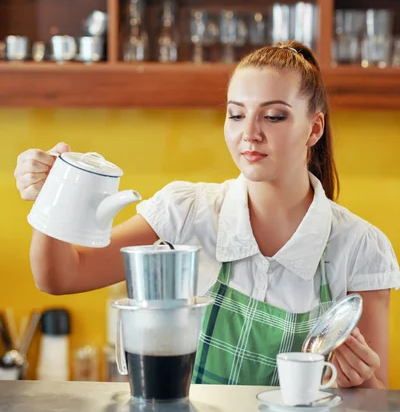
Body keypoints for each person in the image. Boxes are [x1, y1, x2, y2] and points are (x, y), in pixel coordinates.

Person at [14, 41, 399, 389]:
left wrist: (360, 383)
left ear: (313, 128)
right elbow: (60, 275)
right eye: (236, 115)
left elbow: (374, 401)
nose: (249, 134)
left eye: (274, 116)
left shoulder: (360, 247)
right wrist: (52, 199)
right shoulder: (186, 212)